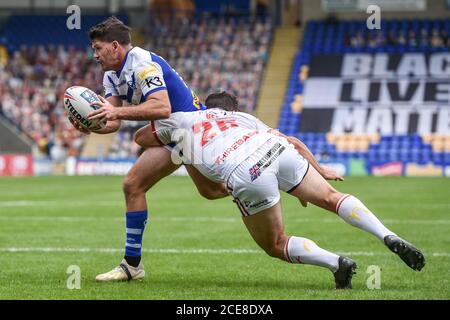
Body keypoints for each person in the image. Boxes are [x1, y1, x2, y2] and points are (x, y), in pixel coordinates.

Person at [142, 92, 425, 289]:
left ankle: (336, 263)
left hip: (246, 170)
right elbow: (290, 140)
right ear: (233, 109)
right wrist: (320, 170)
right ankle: (386, 234)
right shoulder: (244, 119)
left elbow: (206, 189)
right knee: (331, 197)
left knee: (275, 243)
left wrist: (179, 147)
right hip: (276, 149)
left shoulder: (185, 124)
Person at [69, 16, 227, 282]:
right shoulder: (110, 74)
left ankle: (257, 182)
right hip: (171, 134)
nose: (94, 54)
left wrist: (115, 111)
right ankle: (132, 266)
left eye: (98, 48)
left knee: (207, 189)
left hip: (191, 130)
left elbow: (162, 107)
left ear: (115, 46)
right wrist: (91, 126)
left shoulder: (143, 64)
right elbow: (113, 122)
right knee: (138, 185)